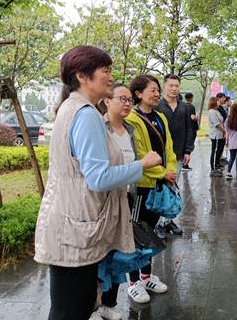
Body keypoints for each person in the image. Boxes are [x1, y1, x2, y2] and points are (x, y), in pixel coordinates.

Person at [34, 46, 162, 320]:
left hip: (71, 223)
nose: (110, 76)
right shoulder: (86, 114)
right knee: (73, 309)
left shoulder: (71, 108)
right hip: (77, 230)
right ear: (82, 76)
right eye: (105, 70)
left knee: (71, 307)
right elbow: (98, 178)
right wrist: (142, 165)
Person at [125, 75, 177, 304]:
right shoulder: (132, 119)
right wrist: (162, 173)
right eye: (152, 90)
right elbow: (139, 154)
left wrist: (170, 170)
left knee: (150, 232)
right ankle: (133, 282)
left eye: (157, 90)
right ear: (138, 94)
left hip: (159, 183)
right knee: (136, 234)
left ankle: (146, 277)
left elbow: (169, 148)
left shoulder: (160, 117)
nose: (157, 94)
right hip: (142, 186)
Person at [96, 83, 145, 318]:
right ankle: (94, 305)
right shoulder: (99, 128)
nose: (127, 104)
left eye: (129, 100)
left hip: (126, 198)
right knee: (100, 255)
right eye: (122, 99)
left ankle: (110, 304)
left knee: (118, 252)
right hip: (103, 202)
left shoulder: (130, 130)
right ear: (107, 100)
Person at [155, 74, 193, 236]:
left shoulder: (185, 107)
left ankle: (168, 221)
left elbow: (189, 129)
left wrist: (188, 150)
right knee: (158, 189)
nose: (174, 89)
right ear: (164, 86)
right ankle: (157, 223)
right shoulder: (157, 106)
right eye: (171, 85)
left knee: (172, 187)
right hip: (158, 156)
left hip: (177, 154)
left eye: (177, 86)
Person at [207, 96, 225, 177]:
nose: (219, 102)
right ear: (214, 102)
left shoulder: (216, 111)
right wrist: (225, 131)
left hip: (219, 134)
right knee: (214, 151)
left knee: (218, 151)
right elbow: (217, 124)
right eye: (217, 101)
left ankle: (217, 165)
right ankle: (213, 169)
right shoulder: (212, 112)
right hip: (215, 135)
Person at [184, 92, 199, 165]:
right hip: (192, 128)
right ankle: (185, 164)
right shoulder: (191, 106)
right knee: (190, 145)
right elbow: (192, 117)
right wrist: (197, 118)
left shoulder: (183, 106)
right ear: (191, 98)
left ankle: (184, 163)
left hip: (186, 128)